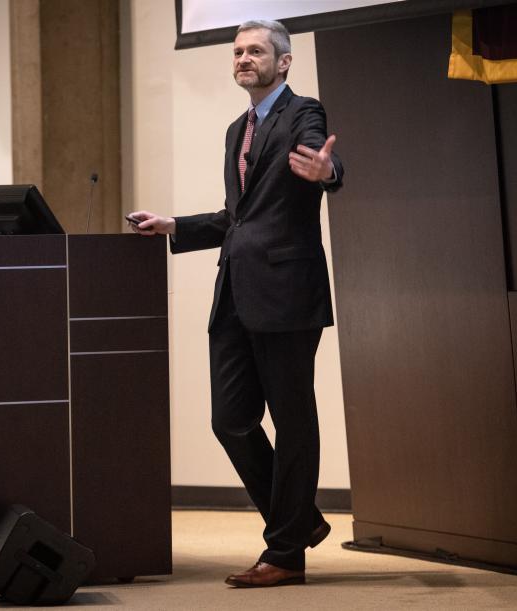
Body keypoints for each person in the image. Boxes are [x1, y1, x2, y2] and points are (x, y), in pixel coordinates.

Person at [129, 19, 343, 588]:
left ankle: (285, 554)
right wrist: (174, 225)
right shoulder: (236, 130)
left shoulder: (303, 112)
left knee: (294, 420)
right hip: (236, 294)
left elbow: (324, 162)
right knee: (231, 420)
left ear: (285, 62)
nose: (244, 59)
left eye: (256, 51)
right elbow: (236, 218)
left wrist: (329, 173)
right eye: (238, 52)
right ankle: (298, 521)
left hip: (286, 293)